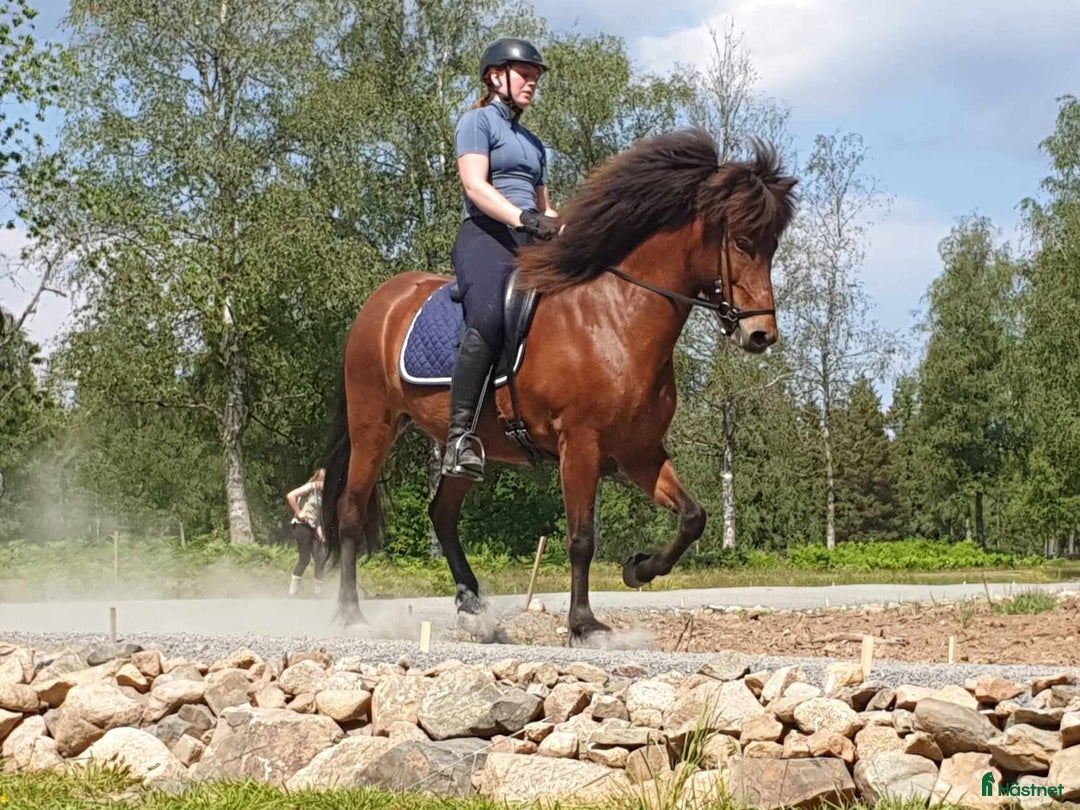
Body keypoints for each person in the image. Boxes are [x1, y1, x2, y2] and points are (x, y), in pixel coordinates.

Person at [442, 37, 561, 482]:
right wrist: (524, 219)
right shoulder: (476, 122)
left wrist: (570, 230)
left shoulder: (533, 143)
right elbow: (475, 186)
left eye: (535, 77)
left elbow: (546, 207)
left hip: (528, 238)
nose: (532, 83)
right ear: (496, 77)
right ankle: (458, 439)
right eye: (525, 74)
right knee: (491, 314)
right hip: (486, 235)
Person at [285, 468, 326, 596]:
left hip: (313, 527)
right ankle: (293, 591)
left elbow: (317, 517)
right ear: (318, 480)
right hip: (301, 525)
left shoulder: (322, 495)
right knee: (305, 558)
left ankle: (318, 592)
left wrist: (320, 532)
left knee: (320, 558)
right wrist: (299, 513)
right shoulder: (310, 487)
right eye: (324, 481)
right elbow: (291, 495)